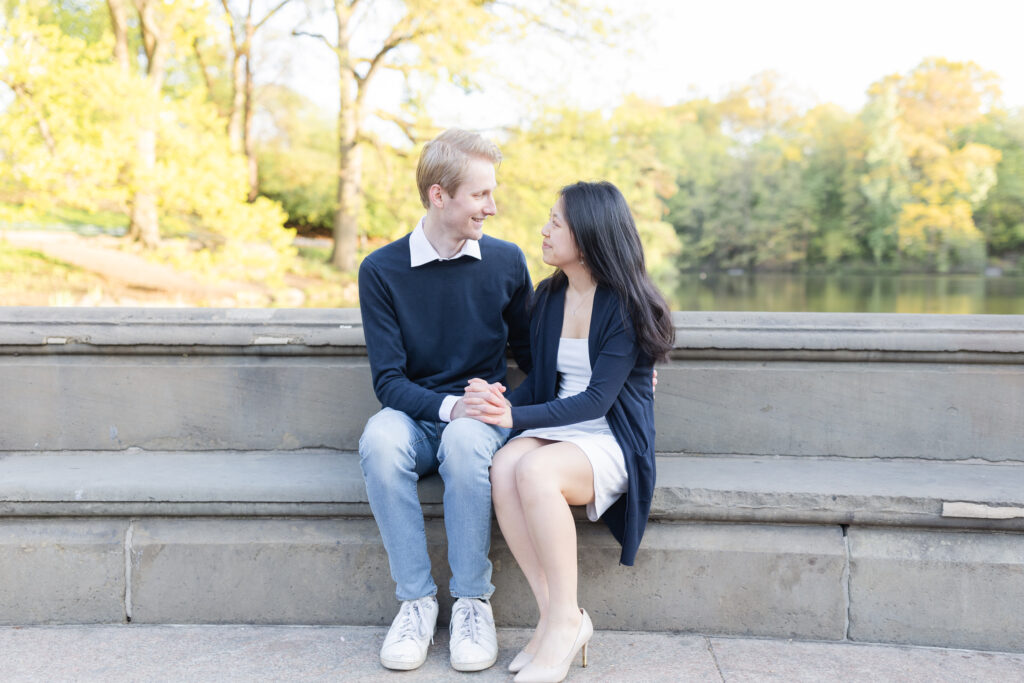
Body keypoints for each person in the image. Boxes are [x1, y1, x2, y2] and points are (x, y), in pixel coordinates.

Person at [463, 181, 675, 683]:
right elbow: (540, 384)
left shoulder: (626, 305)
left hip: (610, 438)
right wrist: (498, 401)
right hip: (563, 427)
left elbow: (599, 400)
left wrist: (512, 419)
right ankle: (558, 619)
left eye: (556, 222)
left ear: (589, 234)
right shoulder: (551, 295)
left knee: (534, 468)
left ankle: (564, 620)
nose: (544, 230)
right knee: (504, 464)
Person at [357, 129, 533, 672]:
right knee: (379, 437)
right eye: (480, 195)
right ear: (439, 195)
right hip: (420, 416)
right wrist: (448, 406)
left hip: (478, 423)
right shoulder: (381, 271)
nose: (493, 207)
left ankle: (472, 602)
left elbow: (535, 360)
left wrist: (502, 404)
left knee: (463, 438)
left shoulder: (506, 263)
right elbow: (388, 381)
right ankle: (415, 601)